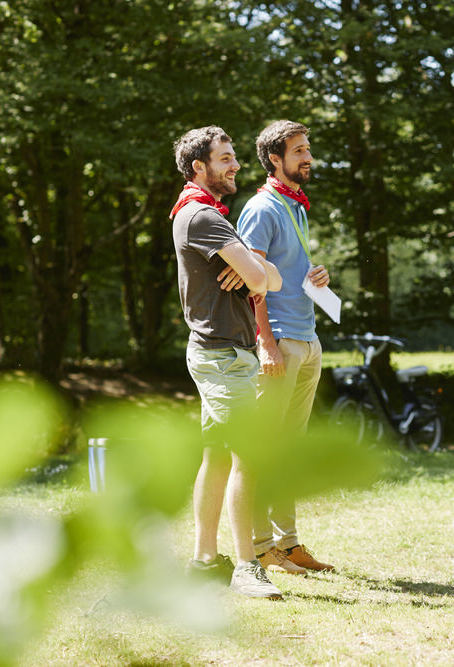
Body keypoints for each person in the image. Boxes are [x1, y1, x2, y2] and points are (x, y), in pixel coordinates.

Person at [171, 125, 284, 598]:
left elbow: (267, 278)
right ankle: (245, 566)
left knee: (217, 458)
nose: (236, 164)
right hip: (223, 355)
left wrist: (256, 275)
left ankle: (203, 561)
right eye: (225, 158)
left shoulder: (200, 214)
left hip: (219, 351)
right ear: (200, 166)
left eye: (235, 156)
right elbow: (264, 275)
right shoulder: (203, 218)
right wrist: (255, 274)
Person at [225, 119, 334, 574]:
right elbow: (253, 284)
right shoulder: (261, 208)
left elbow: (283, 272)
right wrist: (265, 342)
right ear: (275, 159)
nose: (308, 156)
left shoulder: (297, 206)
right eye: (299, 150)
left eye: (308, 148)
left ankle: (288, 544)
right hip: (280, 343)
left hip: (308, 338)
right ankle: (260, 545)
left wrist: (315, 278)